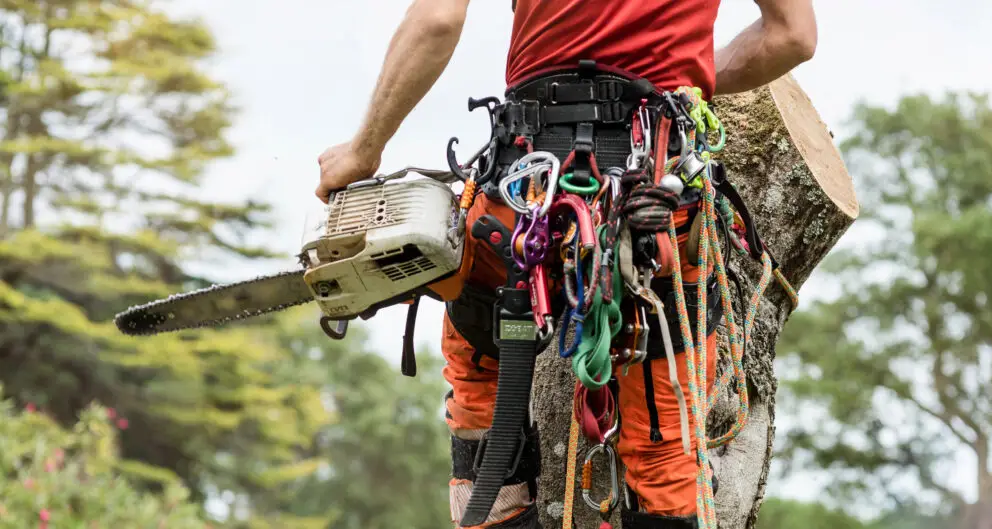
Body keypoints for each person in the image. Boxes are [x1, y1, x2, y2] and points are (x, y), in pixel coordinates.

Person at [316, 1, 818, 528]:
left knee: (481, 406)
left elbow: (437, 20)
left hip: (525, 193)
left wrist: (362, 153)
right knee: (666, 452)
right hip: (658, 204)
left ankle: (494, 508)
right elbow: (793, 36)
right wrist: (670, 84)